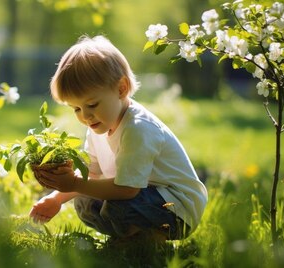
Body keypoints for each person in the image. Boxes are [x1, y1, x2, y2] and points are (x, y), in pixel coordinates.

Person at [29, 35, 208, 245]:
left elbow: (127, 190)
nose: (85, 116)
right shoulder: (97, 126)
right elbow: (92, 174)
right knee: (84, 201)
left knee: (118, 206)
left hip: (177, 208)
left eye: (92, 105)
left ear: (121, 89)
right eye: (76, 109)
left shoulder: (137, 129)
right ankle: (130, 237)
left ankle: (149, 240)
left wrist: (74, 183)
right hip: (141, 197)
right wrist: (56, 198)